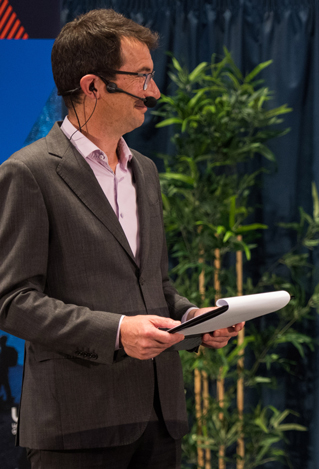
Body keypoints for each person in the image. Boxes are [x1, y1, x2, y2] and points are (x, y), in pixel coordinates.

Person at [0, 9, 241, 467]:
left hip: (158, 418)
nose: (154, 91)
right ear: (92, 86)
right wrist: (115, 332)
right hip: (76, 424)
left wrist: (194, 320)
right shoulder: (27, 173)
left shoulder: (144, 171)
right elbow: (12, 300)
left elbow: (154, 288)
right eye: (143, 77)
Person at [0, 336, 16, 405]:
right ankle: (9, 398)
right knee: (5, 385)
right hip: (3, 371)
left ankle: (9, 399)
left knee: (5, 384)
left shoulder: (5, 350)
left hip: (3, 371)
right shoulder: (5, 350)